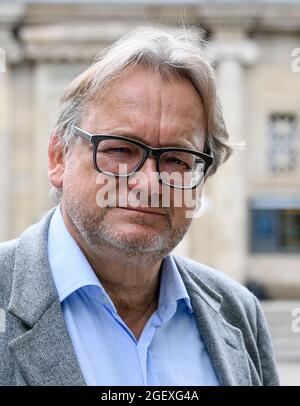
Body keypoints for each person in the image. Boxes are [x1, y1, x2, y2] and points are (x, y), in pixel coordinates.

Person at [0, 28, 279, 386]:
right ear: (58, 158)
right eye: (119, 150)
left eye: (177, 159)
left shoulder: (238, 313)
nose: (149, 183)